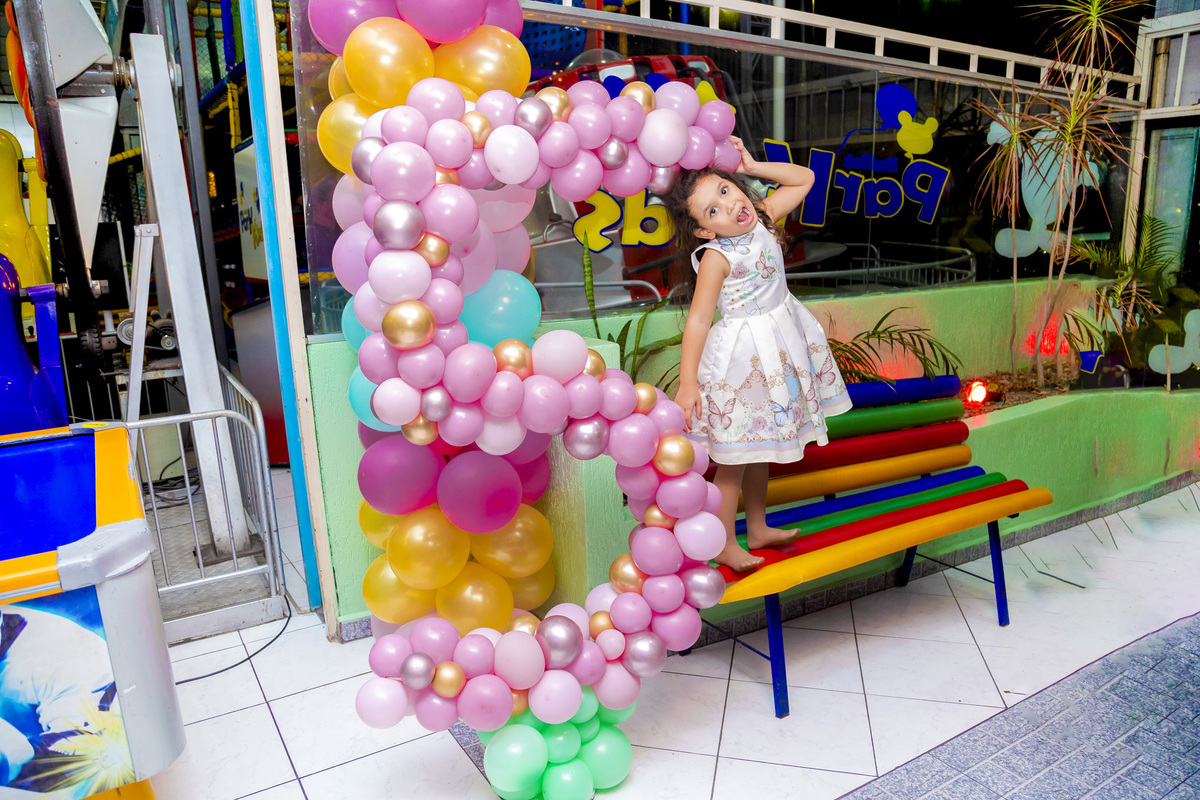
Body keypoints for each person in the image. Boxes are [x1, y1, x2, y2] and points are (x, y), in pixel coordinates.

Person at [664, 137, 853, 571]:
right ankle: (725, 542)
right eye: (712, 210)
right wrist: (689, 382)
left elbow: (803, 178)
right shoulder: (715, 256)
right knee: (734, 457)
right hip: (742, 363)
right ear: (704, 230)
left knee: (763, 445)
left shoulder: (764, 216)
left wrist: (752, 164)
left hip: (778, 350)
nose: (729, 206)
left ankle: (760, 526)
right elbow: (697, 321)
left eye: (726, 191)